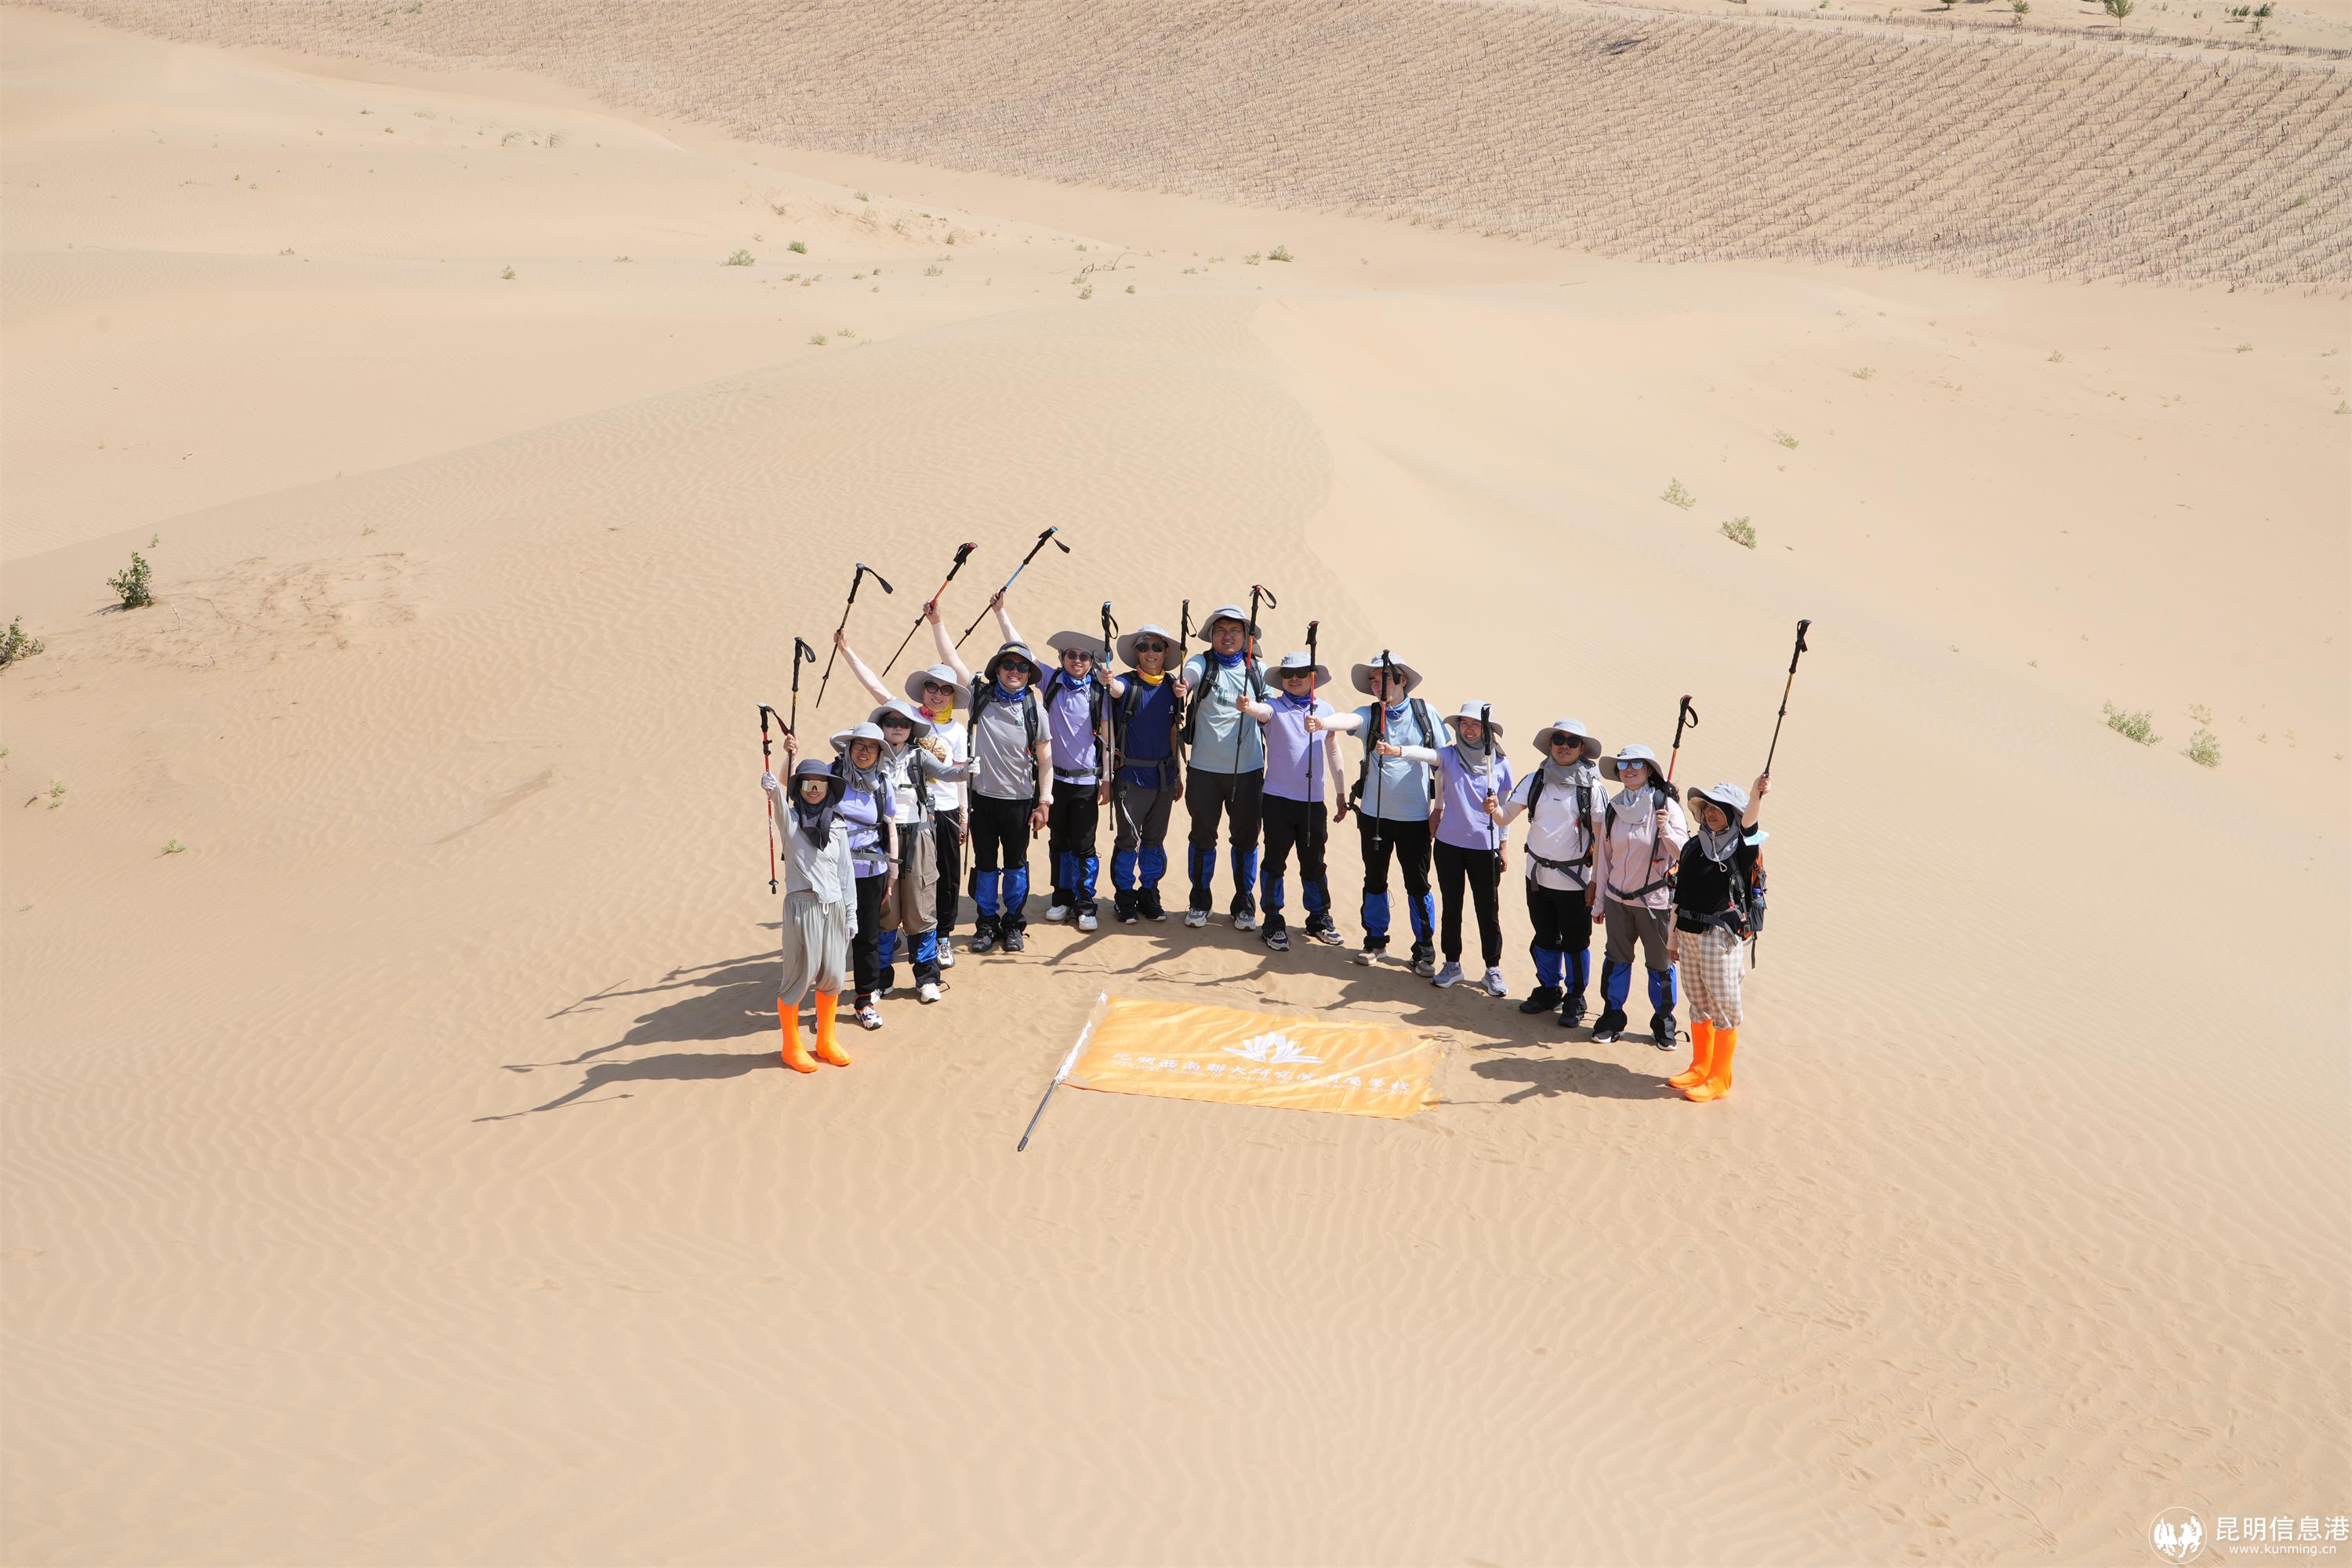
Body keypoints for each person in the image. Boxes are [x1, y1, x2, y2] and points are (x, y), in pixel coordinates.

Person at [833, 612, 971, 968]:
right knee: (895, 876)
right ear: (923, 690)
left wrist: (964, 815)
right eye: (932, 687)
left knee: (943, 878)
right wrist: (847, 652)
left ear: (952, 696)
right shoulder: (905, 717)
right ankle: (890, 932)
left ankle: (941, 936)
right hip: (900, 813)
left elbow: (958, 774)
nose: (937, 694)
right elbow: (874, 686)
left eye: (945, 690)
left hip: (944, 812)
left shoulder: (957, 730)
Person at [995, 606, 1115, 932]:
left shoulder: (1099, 692)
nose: (1077, 660)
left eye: (1084, 656)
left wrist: (1107, 779)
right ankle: (1061, 898)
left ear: (1091, 661)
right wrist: (1001, 612)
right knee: (1058, 842)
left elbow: (1107, 740)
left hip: (1086, 782)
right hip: (1053, 782)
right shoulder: (1050, 680)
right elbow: (1022, 651)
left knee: (1084, 845)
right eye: (1071, 655)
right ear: (1062, 657)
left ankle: (1085, 903)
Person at [1325, 655, 1441, 976]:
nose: (1378, 685)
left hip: (1416, 818)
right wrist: (1323, 722)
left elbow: (1442, 761)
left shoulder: (1425, 714)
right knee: (1374, 880)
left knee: (1418, 884)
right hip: (1374, 818)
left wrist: (1440, 808)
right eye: (1373, 680)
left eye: (1384, 678)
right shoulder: (1371, 714)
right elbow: (1349, 720)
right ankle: (1375, 941)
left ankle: (1424, 949)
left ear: (1402, 680)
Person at [1486, 718, 1606, 1025]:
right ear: (1550, 744)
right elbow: (1505, 817)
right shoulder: (1534, 780)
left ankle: (1575, 998)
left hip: (1576, 883)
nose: (1565, 746)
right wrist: (1494, 808)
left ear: (1582, 749)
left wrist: (1597, 883)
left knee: (1576, 943)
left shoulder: (1592, 788)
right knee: (1545, 937)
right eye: (1559, 740)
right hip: (1537, 878)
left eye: (1572, 742)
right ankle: (1549, 990)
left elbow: (1602, 842)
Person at [1668, 775, 1770, 1102]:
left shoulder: (1741, 847)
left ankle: (1720, 1079)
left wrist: (1755, 795)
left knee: (1724, 1006)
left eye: (1719, 808)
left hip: (1719, 937)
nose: (1710, 813)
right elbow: (1679, 896)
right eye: (1707, 807)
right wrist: (1672, 938)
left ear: (1732, 814)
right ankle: (1700, 1067)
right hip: (1687, 933)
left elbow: (1750, 825)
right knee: (1698, 1003)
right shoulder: (1693, 846)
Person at [1397, 702, 1512, 995]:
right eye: (1464, 723)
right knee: (1452, 908)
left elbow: (1505, 811)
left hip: (1485, 847)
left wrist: (1503, 846)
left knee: (1488, 910)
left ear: (1486, 729)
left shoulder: (1499, 763)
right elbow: (1427, 755)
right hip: (1449, 845)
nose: (1469, 730)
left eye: (1475, 724)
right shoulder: (1449, 755)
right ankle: (1452, 964)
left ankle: (1492, 969)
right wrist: (1398, 750)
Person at [759, 756, 857, 1072]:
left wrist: (851, 914)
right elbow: (777, 802)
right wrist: (774, 785)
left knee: (834, 976)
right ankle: (791, 1047)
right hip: (802, 907)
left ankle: (826, 1041)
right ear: (799, 788)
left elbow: (846, 874)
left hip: (835, 907)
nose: (814, 790)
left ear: (828, 788)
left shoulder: (838, 826)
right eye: (807, 783)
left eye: (820, 784)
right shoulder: (791, 821)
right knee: (798, 978)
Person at [867, 699, 967, 1005]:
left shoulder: (919, 755)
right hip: (882, 838)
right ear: (881, 727)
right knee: (886, 911)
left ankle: (927, 978)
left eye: (904, 724)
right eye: (890, 722)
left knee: (921, 908)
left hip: (919, 836)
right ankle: (880, 980)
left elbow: (949, 773)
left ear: (912, 729)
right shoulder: (871, 755)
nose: (897, 728)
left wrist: (968, 770)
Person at [1591, 742, 1690, 1048]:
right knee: (1616, 961)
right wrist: (1599, 901)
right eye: (1624, 765)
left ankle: (1663, 1023)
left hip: (1655, 903)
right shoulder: (1614, 808)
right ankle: (1612, 1018)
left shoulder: (1666, 807)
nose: (1629, 770)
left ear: (1649, 770)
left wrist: (1666, 830)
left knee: (1660, 965)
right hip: (1617, 901)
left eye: (1636, 764)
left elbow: (1684, 854)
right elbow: (1605, 859)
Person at [1247, 652, 1346, 952]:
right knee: (1275, 862)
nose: (1294, 678)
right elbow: (1261, 711)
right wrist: (1248, 706)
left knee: (1314, 863)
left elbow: (1333, 750)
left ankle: (1318, 918)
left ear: (1312, 677)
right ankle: (1272, 920)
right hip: (1277, 800)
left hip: (1313, 803)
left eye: (1301, 673)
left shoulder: (1325, 710)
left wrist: (1341, 793)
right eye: (1288, 674)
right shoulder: (1275, 707)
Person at [1178, 604, 1269, 929]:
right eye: (1220, 631)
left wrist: (1254, 708)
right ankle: (1199, 900)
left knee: (1246, 839)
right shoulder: (1202, 663)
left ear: (1246, 637)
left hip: (1248, 771)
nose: (1227, 637)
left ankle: (1244, 901)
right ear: (1212, 636)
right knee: (1202, 837)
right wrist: (1183, 685)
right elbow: (1189, 676)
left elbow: (1271, 713)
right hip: (1204, 770)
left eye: (1234, 631)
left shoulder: (1258, 670)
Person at [962, 640, 1054, 955]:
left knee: (1016, 865)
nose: (1015, 671)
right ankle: (987, 923)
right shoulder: (980, 697)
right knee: (985, 864)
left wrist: (1044, 802)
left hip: (1019, 802)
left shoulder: (1034, 709)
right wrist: (936, 622)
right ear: (997, 669)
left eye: (1023, 667)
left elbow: (1046, 761)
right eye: (1008, 665)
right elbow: (952, 661)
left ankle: (1013, 922)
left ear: (1029, 673)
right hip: (982, 798)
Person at [1105, 620, 1186, 923]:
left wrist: (1178, 774)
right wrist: (1107, 679)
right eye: (1143, 647)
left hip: (1164, 777)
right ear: (1137, 653)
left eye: (1156, 647)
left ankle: (1149, 892)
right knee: (1128, 839)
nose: (1150, 652)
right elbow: (1115, 690)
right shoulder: (1127, 683)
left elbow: (1174, 733)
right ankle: (1125, 896)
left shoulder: (1173, 687)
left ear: (1166, 652)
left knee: (1154, 839)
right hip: (1131, 777)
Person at [827, 720, 895, 1029]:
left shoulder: (883, 784)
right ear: (849, 748)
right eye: (859, 745)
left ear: (879, 754)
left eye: (872, 748)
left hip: (871, 871)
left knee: (867, 936)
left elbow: (890, 827)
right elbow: (796, 788)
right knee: (831, 937)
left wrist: (892, 874)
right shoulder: (830, 776)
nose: (865, 752)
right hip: (833, 870)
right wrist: (792, 753)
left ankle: (864, 1001)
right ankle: (826, 1002)